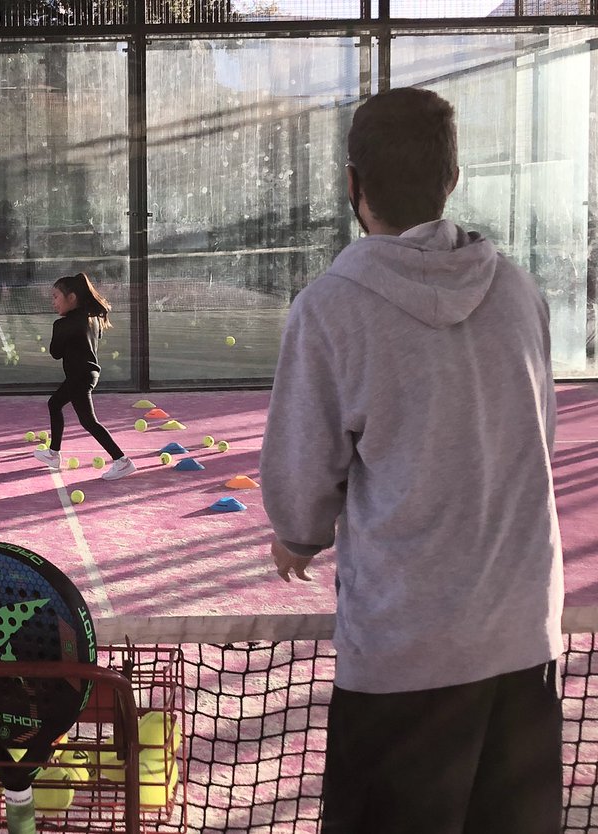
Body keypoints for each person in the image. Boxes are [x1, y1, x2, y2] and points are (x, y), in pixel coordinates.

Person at [259, 88, 563, 834]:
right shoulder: (521, 292)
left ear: (354, 184)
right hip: (525, 645)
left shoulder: (331, 306)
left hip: (404, 660)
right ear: (452, 177)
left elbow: (303, 476)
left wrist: (296, 535)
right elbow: (537, 434)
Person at [32, 273, 135, 481]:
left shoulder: (63, 324)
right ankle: (53, 454)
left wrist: (60, 328)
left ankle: (121, 460)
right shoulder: (93, 318)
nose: (53, 302)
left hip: (79, 376)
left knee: (88, 421)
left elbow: (55, 353)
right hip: (87, 374)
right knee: (55, 404)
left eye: (55, 297)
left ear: (71, 297)